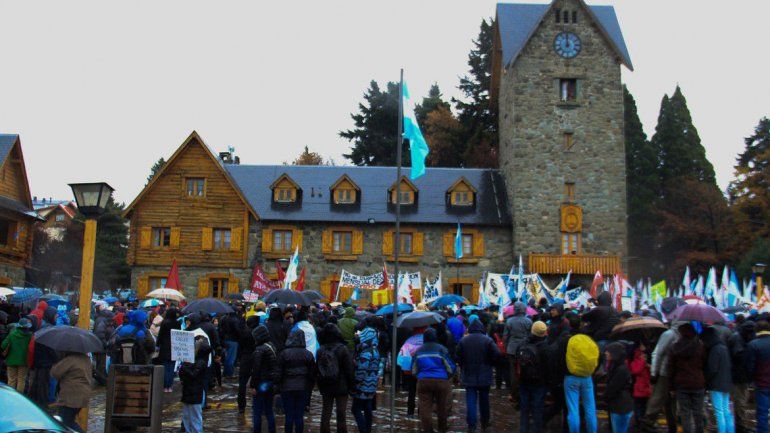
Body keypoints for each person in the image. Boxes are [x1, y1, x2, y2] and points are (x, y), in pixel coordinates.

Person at [456, 318, 499, 433]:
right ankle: (485, 422)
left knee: (470, 400)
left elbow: (457, 356)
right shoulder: (488, 340)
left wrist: (463, 364)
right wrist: (490, 363)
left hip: (469, 374)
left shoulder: (463, 341)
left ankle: (472, 425)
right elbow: (496, 354)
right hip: (485, 375)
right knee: (484, 400)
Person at [412, 328, 456, 433]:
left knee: (424, 407)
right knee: (442, 406)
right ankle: (442, 429)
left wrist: (420, 376)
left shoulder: (418, 351)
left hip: (423, 381)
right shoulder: (442, 349)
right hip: (441, 381)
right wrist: (447, 377)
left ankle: (428, 430)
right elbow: (451, 367)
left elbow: (413, 370)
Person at [640, 322, 680, 433]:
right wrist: (654, 372)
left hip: (668, 372)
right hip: (668, 372)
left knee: (664, 400)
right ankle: (649, 423)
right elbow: (657, 354)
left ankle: (666, 425)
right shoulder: (673, 334)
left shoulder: (671, 334)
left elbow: (657, 354)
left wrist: (654, 373)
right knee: (662, 400)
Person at [668, 322, 706, 433]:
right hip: (698, 382)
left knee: (685, 414)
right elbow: (704, 363)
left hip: (681, 383)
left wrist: (671, 387)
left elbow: (671, 368)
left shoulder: (675, 347)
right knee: (698, 412)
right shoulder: (700, 346)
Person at [316, 323, 354, 433]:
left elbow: (317, 369)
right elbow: (349, 370)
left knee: (325, 413)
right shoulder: (343, 349)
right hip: (341, 387)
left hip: (325, 386)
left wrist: (320, 385)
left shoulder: (320, 350)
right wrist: (352, 386)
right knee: (341, 414)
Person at [278, 329, 315, 433]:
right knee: (299, 416)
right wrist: (309, 389)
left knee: (289, 416)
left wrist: (279, 387)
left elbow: (279, 373)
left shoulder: (284, 354)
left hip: (287, 388)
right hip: (303, 388)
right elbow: (312, 375)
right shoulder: (308, 354)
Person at [563, 327, 599, 433]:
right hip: (587, 377)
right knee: (590, 409)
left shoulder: (569, 341)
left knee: (573, 409)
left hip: (571, 377)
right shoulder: (589, 341)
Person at [517, 321, 549, 433]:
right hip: (540, 382)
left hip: (524, 381)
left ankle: (523, 429)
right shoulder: (545, 347)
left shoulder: (523, 344)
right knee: (537, 409)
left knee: (524, 409)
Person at [702, 326, 735, 433]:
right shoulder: (723, 347)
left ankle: (722, 431)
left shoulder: (715, 349)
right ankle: (730, 431)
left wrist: (706, 381)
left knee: (719, 411)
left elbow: (712, 368)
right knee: (726, 410)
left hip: (716, 384)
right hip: (726, 383)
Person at [50, 351, 92, 433]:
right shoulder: (86, 358)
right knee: (68, 420)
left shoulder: (70, 359)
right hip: (82, 394)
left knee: (66, 423)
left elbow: (54, 372)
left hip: (71, 396)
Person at [351, 325, 381, 433]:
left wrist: (356, 381)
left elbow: (362, 369)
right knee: (368, 409)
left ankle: (363, 430)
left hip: (363, 385)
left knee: (355, 409)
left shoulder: (366, 352)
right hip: (372, 385)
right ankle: (368, 430)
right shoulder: (376, 351)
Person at [250, 324, 280, 433]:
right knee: (269, 411)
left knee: (257, 411)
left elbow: (256, 369)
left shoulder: (259, 350)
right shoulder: (271, 346)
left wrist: (253, 385)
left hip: (261, 383)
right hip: (270, 383)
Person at [179, 336, 211, 433]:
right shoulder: (194, 360)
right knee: (187, 416)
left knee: (195, 417)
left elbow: (194, 374)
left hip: (195, 392)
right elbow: (183, 375)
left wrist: (185, 366)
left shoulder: (201, 361)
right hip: (188, 391)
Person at [29, 306, 59, 407]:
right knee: (43, 384)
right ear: (51, 316)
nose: (57, 316)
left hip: (41, 360)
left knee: (39, 383)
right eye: (55, 315)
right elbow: (50, 347)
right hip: (45, 361)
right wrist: (57, 358)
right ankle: (43, 404)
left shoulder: (44, 326)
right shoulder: (48, 328)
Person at [729, 319, 755, 433]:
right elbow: (738, 357)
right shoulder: (738, 340)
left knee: (741, 401)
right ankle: (741, 426)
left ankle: (741, 425)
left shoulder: (738, 337)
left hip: (740, 376)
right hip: (738, 377)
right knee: (740, 402)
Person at [503, 301, 532, 404]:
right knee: (525, 370)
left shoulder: (509, 321)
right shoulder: (528, 321)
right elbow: (530, 335)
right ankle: (523, 392)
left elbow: (505, 337)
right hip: (525, 348)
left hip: (512, 348)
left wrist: (506, 347)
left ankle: (514, 393)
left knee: (513, 372)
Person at [745, 319, 770, 433]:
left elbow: (750, 366)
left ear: (756, 330)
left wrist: (751, 380)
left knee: (762, 412)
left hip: (762, 383)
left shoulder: (753, 345)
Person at [604, 342, 634, 433]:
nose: (606, 353)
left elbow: (613, 387)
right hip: (620, 405)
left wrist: (605, 396)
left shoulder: (620, 369)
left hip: (620, 406)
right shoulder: (617, 367)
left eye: (608, 351)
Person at [398, 327, 425, 416]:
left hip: (411, 370)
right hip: (423, 371)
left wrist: (406, 370)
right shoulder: (427, 340)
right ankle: (421, 413)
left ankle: (410, 412)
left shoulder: (409, 340)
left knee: (411, 391)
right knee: (423, 393)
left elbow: (402, 358)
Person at [1, 317, 33, 392]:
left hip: (11, 360)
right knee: (21, 380)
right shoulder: (30, 336)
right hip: (24, 361)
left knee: (11, 380)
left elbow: (3, 345)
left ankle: (10, 396)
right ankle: (19, 398)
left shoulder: (12, 334)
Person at [238, 315, 260, 414]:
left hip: (246, 358)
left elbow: (240, 346)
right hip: (257, 357)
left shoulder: (244, 332)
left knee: (242, 383)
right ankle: (257, 404)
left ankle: (241, 406)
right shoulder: (259, 333)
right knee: (258, 381)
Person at [156, 307, 180, 392]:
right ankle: (170, 385)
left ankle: (165, 386)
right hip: (174, 346)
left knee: (165, 366)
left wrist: (157, 345)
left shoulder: (164, 322)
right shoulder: (177, 323)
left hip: (165, 347)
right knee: (172, 367)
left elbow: (160, 334)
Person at [628, 344, 652, 427]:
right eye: (643, 355)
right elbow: (636, 371)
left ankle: (642, 422)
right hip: (638, 389)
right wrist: (643, 362)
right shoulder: (635, 362)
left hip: (646, 389)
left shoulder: (645, 364)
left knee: (644, 407)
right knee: (638, 407)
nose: (644, 357)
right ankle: (639, 422)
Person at [92, 307, 115, 385]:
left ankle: (101, 379)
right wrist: (106, 343)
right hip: (102, 347)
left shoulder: (101, 320)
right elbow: (100, 334)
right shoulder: (103, 322)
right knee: (101, 364)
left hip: (100, 346)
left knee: (101, 364)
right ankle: (101, 380)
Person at [220, 311, 241, 378]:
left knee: (227, 357)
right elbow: (237, 330)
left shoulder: (223, 318)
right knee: (231, 358)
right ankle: (229, 373)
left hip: (225, 339)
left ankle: (225, 372)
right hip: (233, 340)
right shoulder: (235, 320)